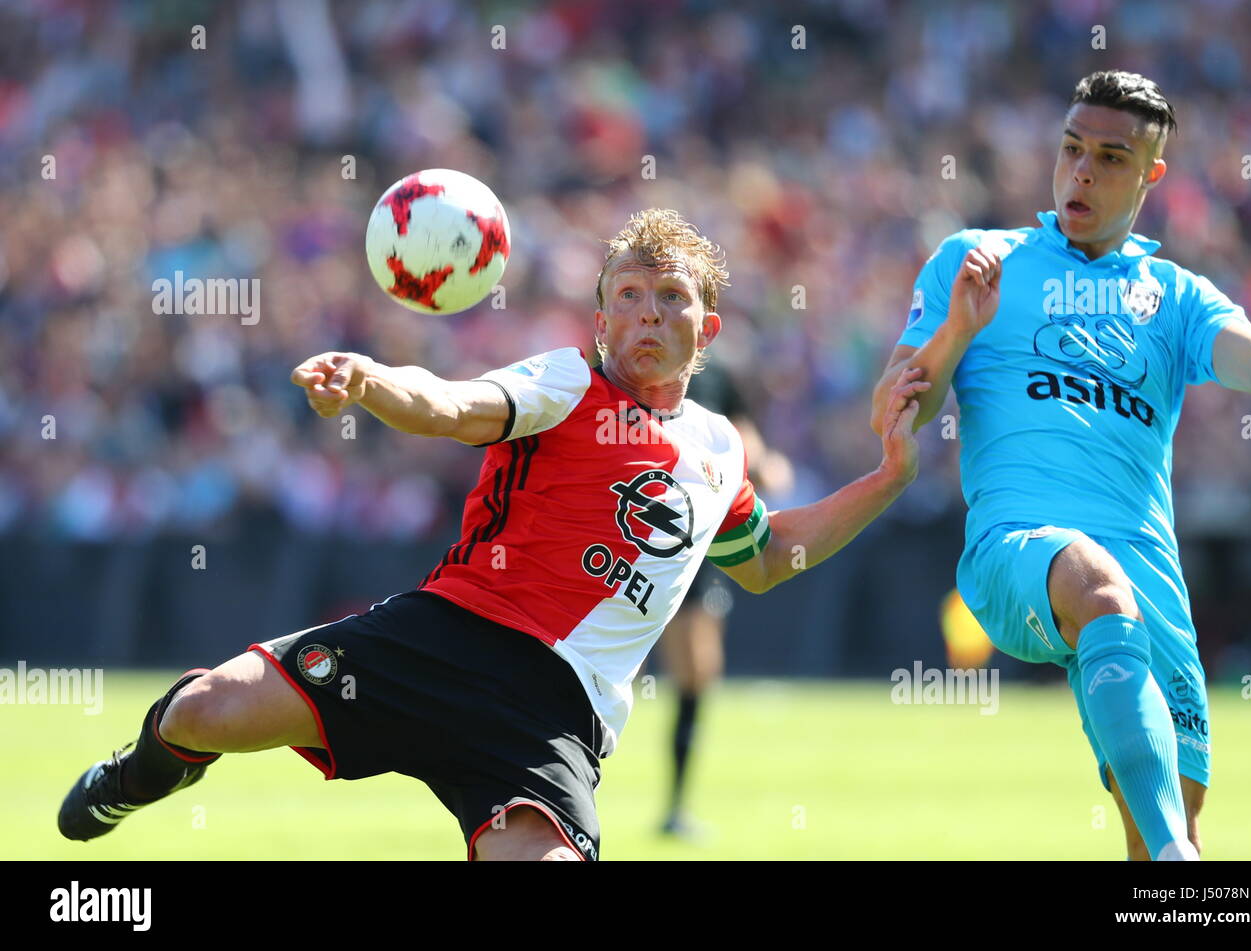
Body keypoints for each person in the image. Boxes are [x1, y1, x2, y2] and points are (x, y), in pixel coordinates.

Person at [60, 208, 928, 861]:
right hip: (442, 638)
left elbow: (771, 559)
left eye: (673, 299)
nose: (649, 314)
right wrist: (369, 381)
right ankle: (140, 774)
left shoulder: (718, 445)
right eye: (629, 295)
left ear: (708, 329)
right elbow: (450, 405)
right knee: (204, 711)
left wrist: (886, 477)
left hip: (552, 716)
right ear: (600, 317)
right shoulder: (565, 381)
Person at [871, 70, 1251, 861]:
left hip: (1150, 572)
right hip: (1018, 545)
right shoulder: (978, 261)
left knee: (1164, 820)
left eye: (1109, 157)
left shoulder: (1175, 296)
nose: (1081, 172)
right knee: (1095, 583)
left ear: (1149, 176)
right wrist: (958, 332)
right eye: (1072, 149)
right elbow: (898, 408)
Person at [650, 360, 793, 838]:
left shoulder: (717, 375)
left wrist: (766, 466)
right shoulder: (620, 365)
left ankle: (675, 807)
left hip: (695, 541)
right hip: (634, 534)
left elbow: (744, 436)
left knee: (696, 675)